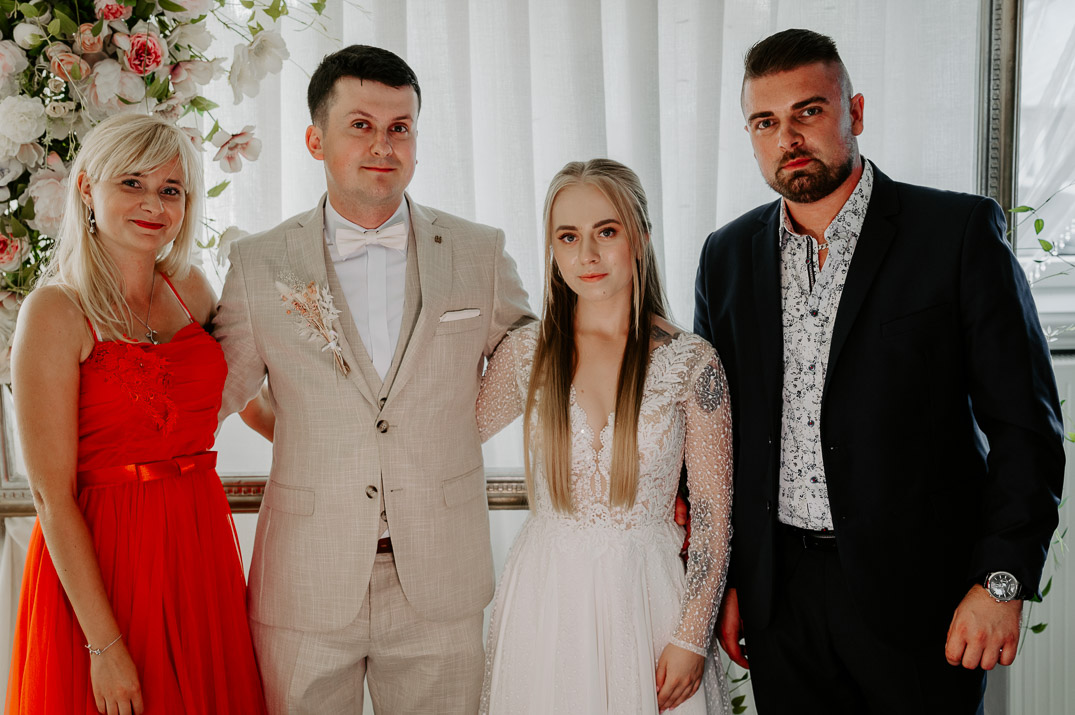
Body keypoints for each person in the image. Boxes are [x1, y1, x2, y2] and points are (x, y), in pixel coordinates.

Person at [693, 28, 1065, 715]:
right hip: (781, 606)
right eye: (765, 122)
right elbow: (714, 441)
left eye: (808, 111)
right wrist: (726, 581)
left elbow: (1026, 428)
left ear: (855, 113)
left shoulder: (954, 234)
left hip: (923, 601)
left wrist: (1001, 580)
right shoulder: (725, 257)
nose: (787, 137)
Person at [213, 45, 533, 713]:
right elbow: (214, 391)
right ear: (315, 140)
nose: (383, 145)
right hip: (305, 580)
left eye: (400, 127)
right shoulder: (258, 262)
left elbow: (533, 354)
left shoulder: (478, 250)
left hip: (440, 576)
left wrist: (458, 426)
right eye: (360, 125)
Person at [5, 113, 267, 714]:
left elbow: (245, 400)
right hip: (106, 562)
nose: (154, 204)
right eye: (132, 183)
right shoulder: (54, 311)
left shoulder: (191, 289)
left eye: (170, 189)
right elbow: (50, 497)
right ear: (86, 187)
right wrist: (104, 646)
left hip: (198, 548)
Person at [477, 159, 734, 714]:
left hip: (649, 598)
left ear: (640, 237)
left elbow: (714, 515)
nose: (587, 255)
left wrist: (692, 635)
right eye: (568, 237)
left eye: (607, 232)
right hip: (546, 599)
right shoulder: (525, 354)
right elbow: (445, 437)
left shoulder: (692, 363)